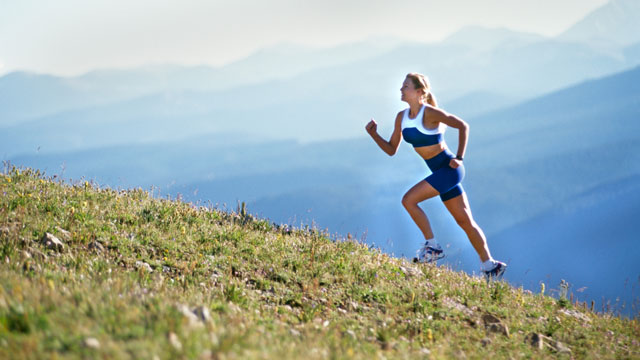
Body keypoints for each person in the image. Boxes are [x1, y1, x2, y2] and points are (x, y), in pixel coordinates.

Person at [365, 72, 506, 279]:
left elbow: (462, 126)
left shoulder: (430, 113)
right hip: (440, 173)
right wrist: (374, 134)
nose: (401, 90)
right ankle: (490, 266)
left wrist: (460, 157)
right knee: (465, 221)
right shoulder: (401, 117)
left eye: (405, 87)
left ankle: (432, 247)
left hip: (450, 170)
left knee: (409, 200)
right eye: (402, 86)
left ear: (420, 92)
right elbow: (391, 149)